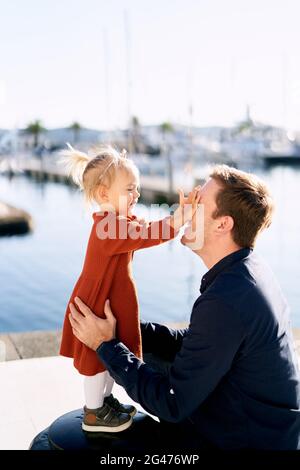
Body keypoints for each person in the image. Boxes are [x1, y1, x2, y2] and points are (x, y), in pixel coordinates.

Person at [69, 164, 300, 450]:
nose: (187, 206)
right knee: (147, 354)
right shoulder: (246, 271)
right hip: (255, 421)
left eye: (198, 202)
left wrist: (106, 345)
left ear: (222, 224)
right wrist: (129, 330)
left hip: (241, 440)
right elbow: (197, 342)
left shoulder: (228, 300)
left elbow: (172, 402)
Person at [59, 144, 201, 433]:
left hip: (110, 298)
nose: (137, 195)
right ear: (103, 194)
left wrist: (175, 217)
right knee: (97, 363)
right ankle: (93, 413)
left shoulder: (117, 223)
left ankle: (105, 401)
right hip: (98, 303)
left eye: (136, 189)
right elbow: (148, 233)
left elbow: (143, 227)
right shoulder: (107, 228)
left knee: (110, 355)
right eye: (130, 190)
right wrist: (180, 218)